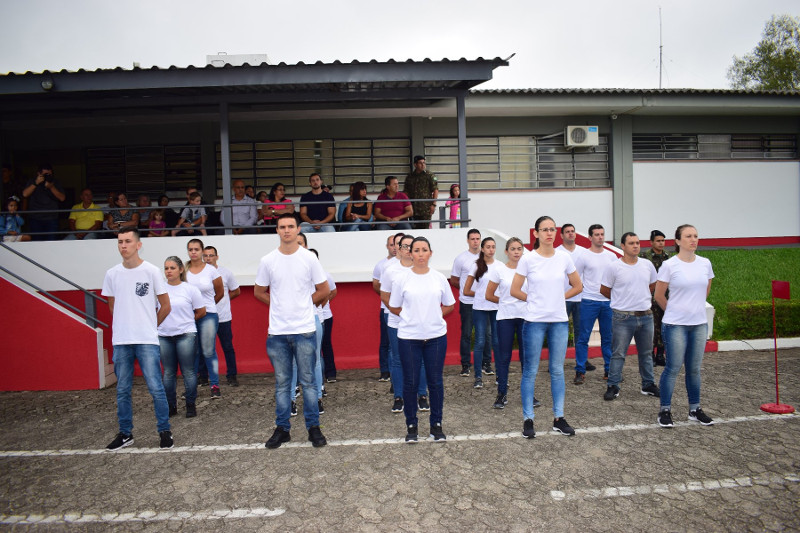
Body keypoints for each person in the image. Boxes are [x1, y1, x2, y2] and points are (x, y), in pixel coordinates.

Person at [255, 213, 330, 449]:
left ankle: (313, 428)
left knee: (308, 382)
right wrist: (278, 305)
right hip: (277, 332)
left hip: (305, 329)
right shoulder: (268, 260)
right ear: (277, 230)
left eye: (290, 226)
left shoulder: (309, 258)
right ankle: (282, 429)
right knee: (282, 383)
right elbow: (258, 291)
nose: (286, 230)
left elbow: (324, 289)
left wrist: (305, 304)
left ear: (298, 230)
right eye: (282, 227)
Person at [102, 227, 173, 450]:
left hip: (146, 340)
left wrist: (151, 326)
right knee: (122, 389)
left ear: (138, 245)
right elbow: (113, 306)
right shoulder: (112, 274)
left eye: (128, 241)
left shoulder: (151, 271)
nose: (123, 246)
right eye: (120, 242)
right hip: (122, 340)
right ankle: (125, 434)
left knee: (156, 387)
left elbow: (166, 305)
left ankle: (164, 431)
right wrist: (126, 325)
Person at [511, 216, 582, 438]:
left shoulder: (564, 258)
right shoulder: (528, 259)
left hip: (559, 320)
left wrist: (561, 298)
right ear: (536, 233)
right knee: (530, 370)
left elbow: (578, 285)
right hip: (534, 321)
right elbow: (514, 290)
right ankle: (528, 419)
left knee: (557, 370)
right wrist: (532, 300)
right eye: (545, 229)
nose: (549, 233)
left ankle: (559, 418)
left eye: (552, 229)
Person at [388, 236, 455, 443]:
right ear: (410, 253)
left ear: (430, 253)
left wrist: (433, 316)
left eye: (424, 250)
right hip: (409, 337)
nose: (420, 254)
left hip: (436, 337)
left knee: (435, 382)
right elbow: (395, 306)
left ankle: (436, 424)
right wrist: (412, 317)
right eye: (416, 250)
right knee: (411, 382)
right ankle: (412, 425)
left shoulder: (439, 278)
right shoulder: (402, 279)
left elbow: (450, 304)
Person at [654, 224, 715, 428]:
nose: (693, 239)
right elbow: (659, 295)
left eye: (696, 236)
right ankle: (664, 410)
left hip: (698, 325)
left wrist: (693, 309)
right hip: (675, 325)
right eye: (688, 236)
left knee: (694, 369)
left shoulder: (705, 263)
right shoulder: (670, 265)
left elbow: (705, 291)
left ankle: (694, 409)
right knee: (672, 368)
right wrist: (674, 312)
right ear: (678, 241)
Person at [599, 232, 660, 401]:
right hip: (622, 318)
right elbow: (604, 289)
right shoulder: (614, 267)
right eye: (631, 243)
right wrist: (621, 300)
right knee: (618, 354)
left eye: (638, 243)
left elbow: (653, 285)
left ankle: (648, 384)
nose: (635, 246)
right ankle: (613, 385)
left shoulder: (647, 265)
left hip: (646, 316)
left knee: (647, 353)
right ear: (623, 246)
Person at [381, 234, 430, 414]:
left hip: (419, 323)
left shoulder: (423, 269)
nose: (408, 250)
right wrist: (401, 313)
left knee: (421, 360)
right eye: (405, 246)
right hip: (396, 321)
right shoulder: (390, 270)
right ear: (399, 249)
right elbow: (384, 296)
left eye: (412, 247)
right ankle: (399, 397)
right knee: (397, 359)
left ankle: (422, 395)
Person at [486, 237, 531, 409]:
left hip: (526, 317)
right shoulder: (499, 270)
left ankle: (529, 395)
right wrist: (505, 302)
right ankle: (502, 393)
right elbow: (489, 295)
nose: (516, 252)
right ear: (506, 252)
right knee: (504, 357)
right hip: (505, 318)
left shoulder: (529, 270)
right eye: (513, 249)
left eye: (519, 249)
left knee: (526, 358)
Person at [158, 256, 204, 418]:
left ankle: (190, 405)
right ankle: (171, 406)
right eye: (166, 268)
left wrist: (188, 322)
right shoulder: (159, 289)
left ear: (180, 270)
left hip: (186, 335)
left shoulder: (190, 289)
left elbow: (201, 311)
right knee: (168, 373)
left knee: (189, 372)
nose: (168, 271)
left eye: (172, 268)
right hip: (163, 336)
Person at [574, 224, 616, 384]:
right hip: (589, 301)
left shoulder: (611, 256)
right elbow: (575, 276)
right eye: (597, 234)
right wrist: (584, 289)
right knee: (583, 338)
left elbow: (616, 276)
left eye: (602, 234)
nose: (600, 237)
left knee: (608, 338)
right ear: (590, 238)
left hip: (607, 302)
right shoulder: (584, 256)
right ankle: (580, 371)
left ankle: (609, 370)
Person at [450, 229, 491, 377]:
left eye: (477, 238)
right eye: (472, 239)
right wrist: (466, 290)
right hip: (467, 302)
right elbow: (454, 279)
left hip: (485, 302)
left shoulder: (486, 257)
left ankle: (487, 364)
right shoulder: (461, 258)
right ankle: (466, 365)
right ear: (468, 240)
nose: (475, 241)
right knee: (467, 334)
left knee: (486, 333)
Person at [185, 239, 223, 398]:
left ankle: (214, 385)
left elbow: (220, 292)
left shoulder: (211, 270)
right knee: (190, 353)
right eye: (190, 249)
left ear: (201, 251)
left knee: (208, 351)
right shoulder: (183, 270)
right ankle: (190, 387)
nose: (193, 252)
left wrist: (205, 306)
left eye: (196, 249)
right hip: (188, 316)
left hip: (208, 315)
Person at [203, 246, 242, 387]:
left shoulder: (225, 272)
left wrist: (225, 299)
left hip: (223, 317)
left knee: (227, 347)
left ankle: (232, 376)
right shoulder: (199, 273)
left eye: (211, 255)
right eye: (205, 256)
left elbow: (236, 291)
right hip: (205, 317)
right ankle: (203, 377)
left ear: (216, 257)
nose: (208, 258)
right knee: (204, 348)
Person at [463, 237, 499, 388]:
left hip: (496, 309)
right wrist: (480, 294)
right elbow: (466, 290)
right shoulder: (476, 266)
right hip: (479, 309)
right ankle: (478, 376)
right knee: (479, 341)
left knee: (497, 342)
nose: (491, 249)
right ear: (482, 249)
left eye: (493, 247)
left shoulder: (500, 266)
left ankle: (500, 376)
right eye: (488, 247)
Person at [640, 229, 672, 367]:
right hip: (650, 297)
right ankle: (651, 355)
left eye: (662, 241)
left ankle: (660, 354)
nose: (661, 243)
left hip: (664, 297)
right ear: (651, 242)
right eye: (658, 241)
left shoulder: (668, 257)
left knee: (664, 325)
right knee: (652, 327)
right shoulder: (645, 257)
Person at [556, 224, 586, 353]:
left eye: (573, 231)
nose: (570, 233)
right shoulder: (556, 252)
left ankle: (582, 361)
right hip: (563, 297)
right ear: (562, 235)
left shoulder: (584, 252)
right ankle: (556, 361)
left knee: (581, 331)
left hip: (581, 297)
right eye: (567, 232)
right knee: (559, 330)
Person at [372, 234, 398, 382]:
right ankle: (385, 371)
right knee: (385, 341)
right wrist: (386, 297)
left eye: (396, 244)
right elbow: (376, 285)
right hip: (386, 308)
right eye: (391, 245)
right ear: (387, 246)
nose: (394, 247)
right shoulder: (381, 265)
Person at [21, 163, 65, 241]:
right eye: (45, 174)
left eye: (50, 174)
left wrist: (51, 187)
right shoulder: (32, 181)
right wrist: (36, 183)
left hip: (51, 218)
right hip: (35, 218)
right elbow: (25, 194)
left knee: (51, 242)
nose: (47, 176)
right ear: (39, 174)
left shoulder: (55, 182)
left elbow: (62, 198)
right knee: (37, 243)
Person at [403, 155, 438, 230]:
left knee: (425, 229)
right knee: (414, 229)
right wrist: (405, 205)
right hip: (413, 208)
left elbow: (435, 190)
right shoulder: (410, 176)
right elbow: (406, 192)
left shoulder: (429, 175)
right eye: (420, 163)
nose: (423, 165)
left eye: (424, 163)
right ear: (415, 164)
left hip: (425, 208)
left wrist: (433, 204)